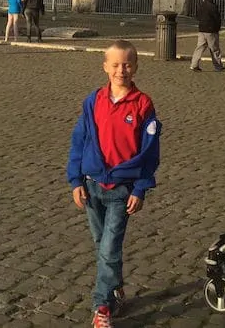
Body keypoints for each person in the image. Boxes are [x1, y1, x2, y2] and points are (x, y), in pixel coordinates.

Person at [67, 40, 161, 328]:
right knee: (102, 245)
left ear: (136, 67)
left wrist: (141, 187)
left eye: (128, 64)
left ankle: (101, 307)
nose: (122, 70)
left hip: (122, 190)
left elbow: (150, 151)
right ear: (105, 67)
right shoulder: (93, 101)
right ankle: (116, 288)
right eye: (116, 64)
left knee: (109, 249)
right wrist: (74, 179)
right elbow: (79, 141)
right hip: (92, 185)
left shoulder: (143, 104)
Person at [190, 0, 225, 72]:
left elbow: (197, 16)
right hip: (211, 30)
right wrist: (217, 28)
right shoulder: (213, 6)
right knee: (214, 49)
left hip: (202, 29)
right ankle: (218, 66)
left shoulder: (201, 5)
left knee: (199, 48)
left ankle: (194, 64)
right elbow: (217, 18)